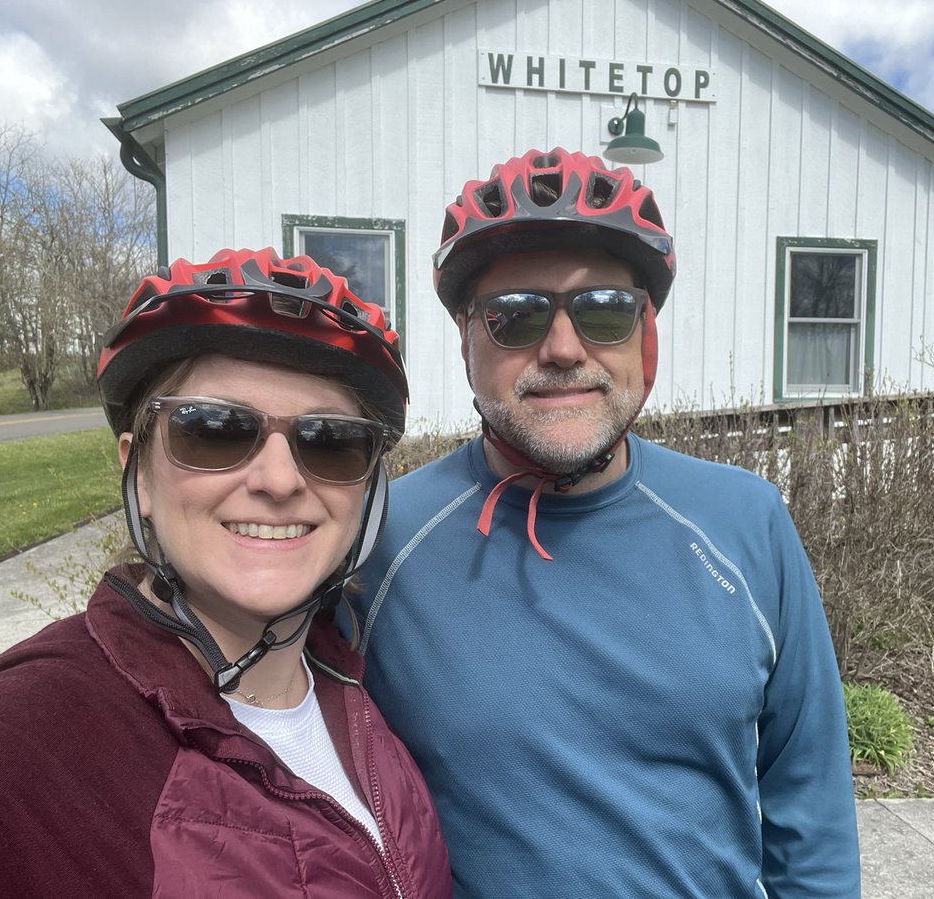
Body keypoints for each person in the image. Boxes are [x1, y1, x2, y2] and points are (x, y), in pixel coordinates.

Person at [352, 149, 861, 897]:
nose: (562, 348)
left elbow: (807, 805)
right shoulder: (380, 539)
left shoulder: (747, 521)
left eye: (605, 310)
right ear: (467, 341)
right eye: (515, 315)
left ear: (645, 331)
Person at [0, 248, 452, 898]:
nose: (278, 481)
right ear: (139, 471)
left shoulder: (351, 677)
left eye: (331, 441)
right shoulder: (12, 749)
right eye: (215, 429)